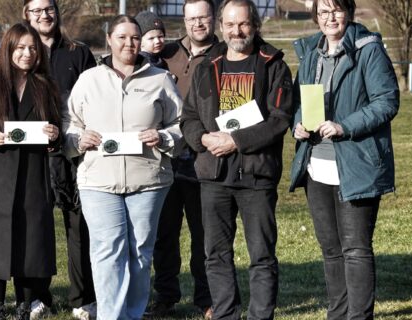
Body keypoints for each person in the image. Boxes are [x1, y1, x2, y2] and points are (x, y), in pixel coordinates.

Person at [179, 0, 295, 319]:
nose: (236, 31)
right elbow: (189, 117)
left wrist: (235, 141)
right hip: (213, 177)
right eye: (229, 25)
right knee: (215, 254)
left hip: (256, 177)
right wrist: (202, 139)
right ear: (221, 27)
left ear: (255, 25)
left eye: (242, 24)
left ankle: (260, 316)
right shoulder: (207, 66)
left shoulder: (273, 64)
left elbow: (280, 118)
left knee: (261, 255)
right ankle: (226, 313)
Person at [63, 15, 184, 320]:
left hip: (149, 181)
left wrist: (164, 136)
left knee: (140, 253)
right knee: (108, 252)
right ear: (109, 40)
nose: (128, 43)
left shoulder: (160, 79)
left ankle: (132, 314)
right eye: (122, 37)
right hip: (98, 181)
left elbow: (182, 125)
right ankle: (110, 316)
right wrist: (79, 139)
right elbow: (68, 124)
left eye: (134, 37)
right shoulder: (89, 79)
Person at [289, 0, 399, 318]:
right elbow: (300, 100)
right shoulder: (311, 52)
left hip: (355, 164)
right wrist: (298, 122)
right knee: (331, 250)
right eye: (323, 12)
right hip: (316, 166)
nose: (330, 18)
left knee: (355, 249)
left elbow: (387, 101)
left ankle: (359, 316)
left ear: (349, 13)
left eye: (336, 10)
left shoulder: (368, 49)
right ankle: (337, 314)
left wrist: (344, 126)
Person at [0, 23, 63, 320]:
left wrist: (54, 133)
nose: (27, 53)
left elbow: (57, 135)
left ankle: (24, 304)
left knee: (28, 242)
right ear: (8, 49)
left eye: (33, 48)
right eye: (20, 47)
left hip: (33, 176)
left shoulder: (46, 85)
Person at [21, 0, 98, 318]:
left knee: (79, 227)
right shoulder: (21, 51)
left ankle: (83, 299)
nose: (44, 15)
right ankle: (37, 297)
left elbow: (96, 99)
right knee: (35, 227)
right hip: (33, 154)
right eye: (36, 10)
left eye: (48, 8)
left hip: (74, 152)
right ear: (26, 14)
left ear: (57, 11)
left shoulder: (78, 52)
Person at [147, 0, 219, 317]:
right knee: (164, 233)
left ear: (213, 18)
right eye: (191, 18)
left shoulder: (224, 54)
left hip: (204, 157)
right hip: (166, 157)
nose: (197, 24)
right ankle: (165, 295)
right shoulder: (167, 54)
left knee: (205, 234)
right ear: (184, 20)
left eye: (203, 17)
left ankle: (206, 298)